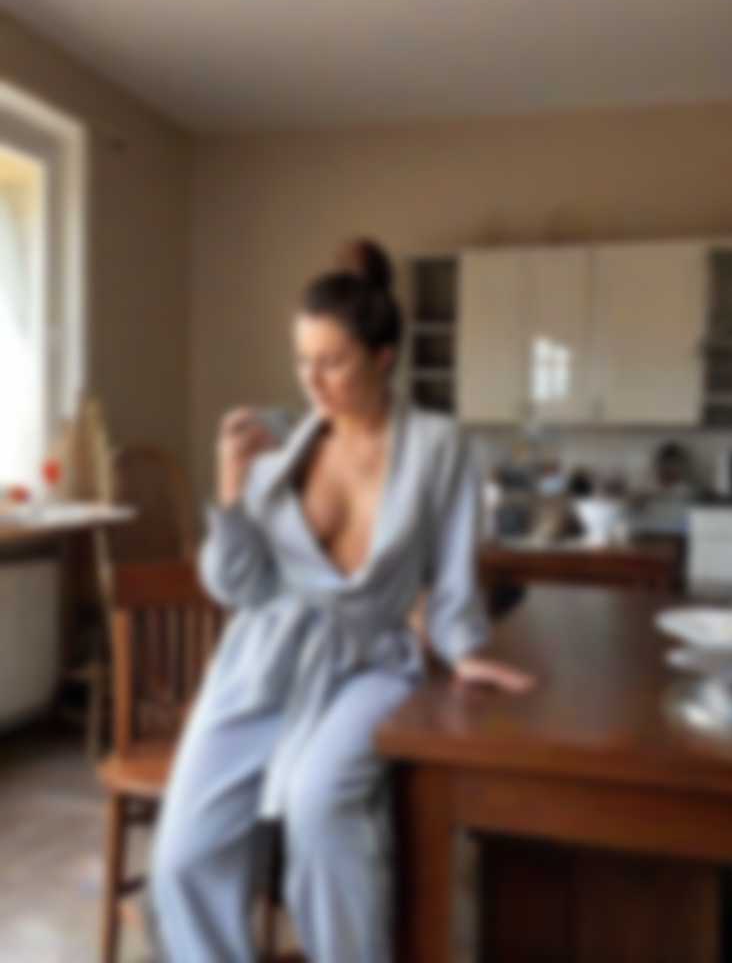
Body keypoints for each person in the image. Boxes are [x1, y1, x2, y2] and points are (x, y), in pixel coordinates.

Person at [149, 239, 536, 962]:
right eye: (303, 361)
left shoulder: (438, 447)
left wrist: (466, 650)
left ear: (383, 358)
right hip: (262, 658)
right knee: (182, 854)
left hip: (370, 661)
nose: (313, 382)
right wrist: (230, 488)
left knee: (319, 804)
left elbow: (453, 578)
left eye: (333, 362)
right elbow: (236, 587)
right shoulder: (278, 444)